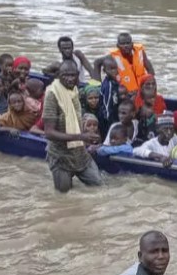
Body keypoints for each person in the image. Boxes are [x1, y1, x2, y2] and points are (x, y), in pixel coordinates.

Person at [43, 60, 102, 193]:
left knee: (99, 187)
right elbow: (49, 133)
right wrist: (81, 136)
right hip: (60, 156)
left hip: (80, 153)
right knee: (64, 195)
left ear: (78, 75)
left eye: (73, 75)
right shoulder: (52, 96)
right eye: (65, 75)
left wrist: (88, 137)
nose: (69, 79)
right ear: (59, 75)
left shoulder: (75, 91)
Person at [100, 57, 121, 129]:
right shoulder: (108, 85)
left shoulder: (115, 82)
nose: (114, 71)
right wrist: (110, 121)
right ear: (104, 70)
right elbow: (107, 105)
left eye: (115, 68)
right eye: (111, 69)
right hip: (108, 119)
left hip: (115, 113)